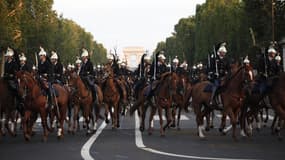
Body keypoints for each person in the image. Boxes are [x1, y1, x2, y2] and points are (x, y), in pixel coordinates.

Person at [3, 47, 23, 114]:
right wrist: (5, 75)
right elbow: (5, 71)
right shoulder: (6, 63)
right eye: (7, 56)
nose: (7, 57)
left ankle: (19, 102)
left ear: (11, 57)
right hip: (6, 78)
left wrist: (12, 75)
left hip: (13, 79)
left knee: (15, 89)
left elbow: (15, 72)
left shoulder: (14, 63)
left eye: (8, 56)